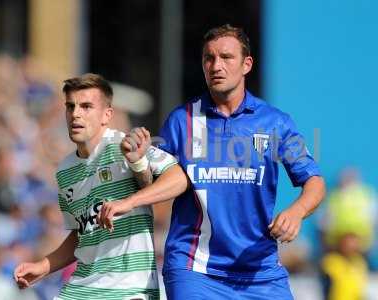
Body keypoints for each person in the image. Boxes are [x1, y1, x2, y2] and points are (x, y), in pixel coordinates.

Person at [98, 24, 326, 299]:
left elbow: (314, 182)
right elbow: (157, 191)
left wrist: (296, 212)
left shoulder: (276, 122)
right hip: (195, 270)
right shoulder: (182, 121)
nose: (216, 65)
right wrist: (138, 163)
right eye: (209, 58)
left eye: (226, 57)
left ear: (246, 64)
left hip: (260, 272)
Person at [13, 73, 178, 300]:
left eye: (86, 106)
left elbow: (179, 178)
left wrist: (130, 199)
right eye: (70, 107)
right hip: (82, 287)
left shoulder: (125, 146)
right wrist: (43, 266)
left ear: (106, 115)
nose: (76, 114)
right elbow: (82, 234)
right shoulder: (65, 171)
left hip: (128, 289)